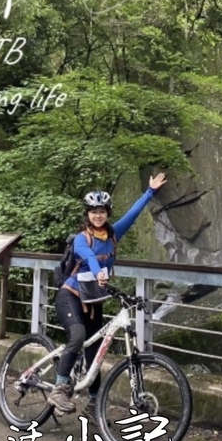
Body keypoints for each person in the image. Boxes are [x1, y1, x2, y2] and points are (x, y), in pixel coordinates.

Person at [48, 173, 167, 416]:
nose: (98, 215)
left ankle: (93, 404)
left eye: (102, 211)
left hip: (93, 299)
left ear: (107, 213)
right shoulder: (83, 239)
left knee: (96, 353)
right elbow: (89, 257)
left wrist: (150, 191)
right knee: (78, 336)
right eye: (93, 211)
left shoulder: (113, 234)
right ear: (87, 214)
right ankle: (59, 388)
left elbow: (133, 215)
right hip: (70, 295)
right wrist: (99, 274)